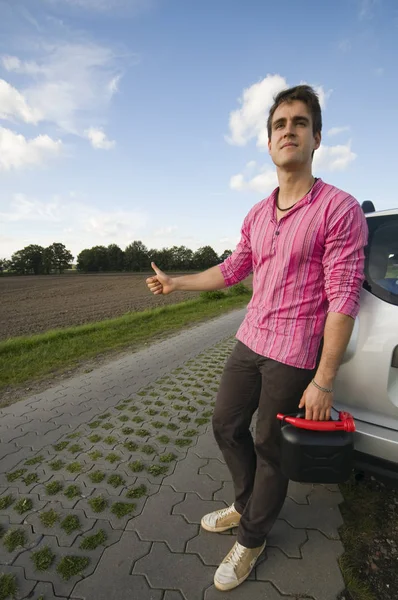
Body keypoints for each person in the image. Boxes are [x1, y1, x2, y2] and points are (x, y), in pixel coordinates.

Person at [146, 85, 368, 592]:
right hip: (250, 341)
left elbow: (343, 300)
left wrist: (324, 379)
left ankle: (252, 536)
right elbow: (231, 271)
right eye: (279, 125)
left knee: (270, 446)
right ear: (269, 143)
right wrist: (177, 282)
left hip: (293, 353)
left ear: (316, 138)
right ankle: (245, 503)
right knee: (225, 424)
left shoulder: (339, 209)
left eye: (299, 123)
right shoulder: (256, 214)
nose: (288, 130)